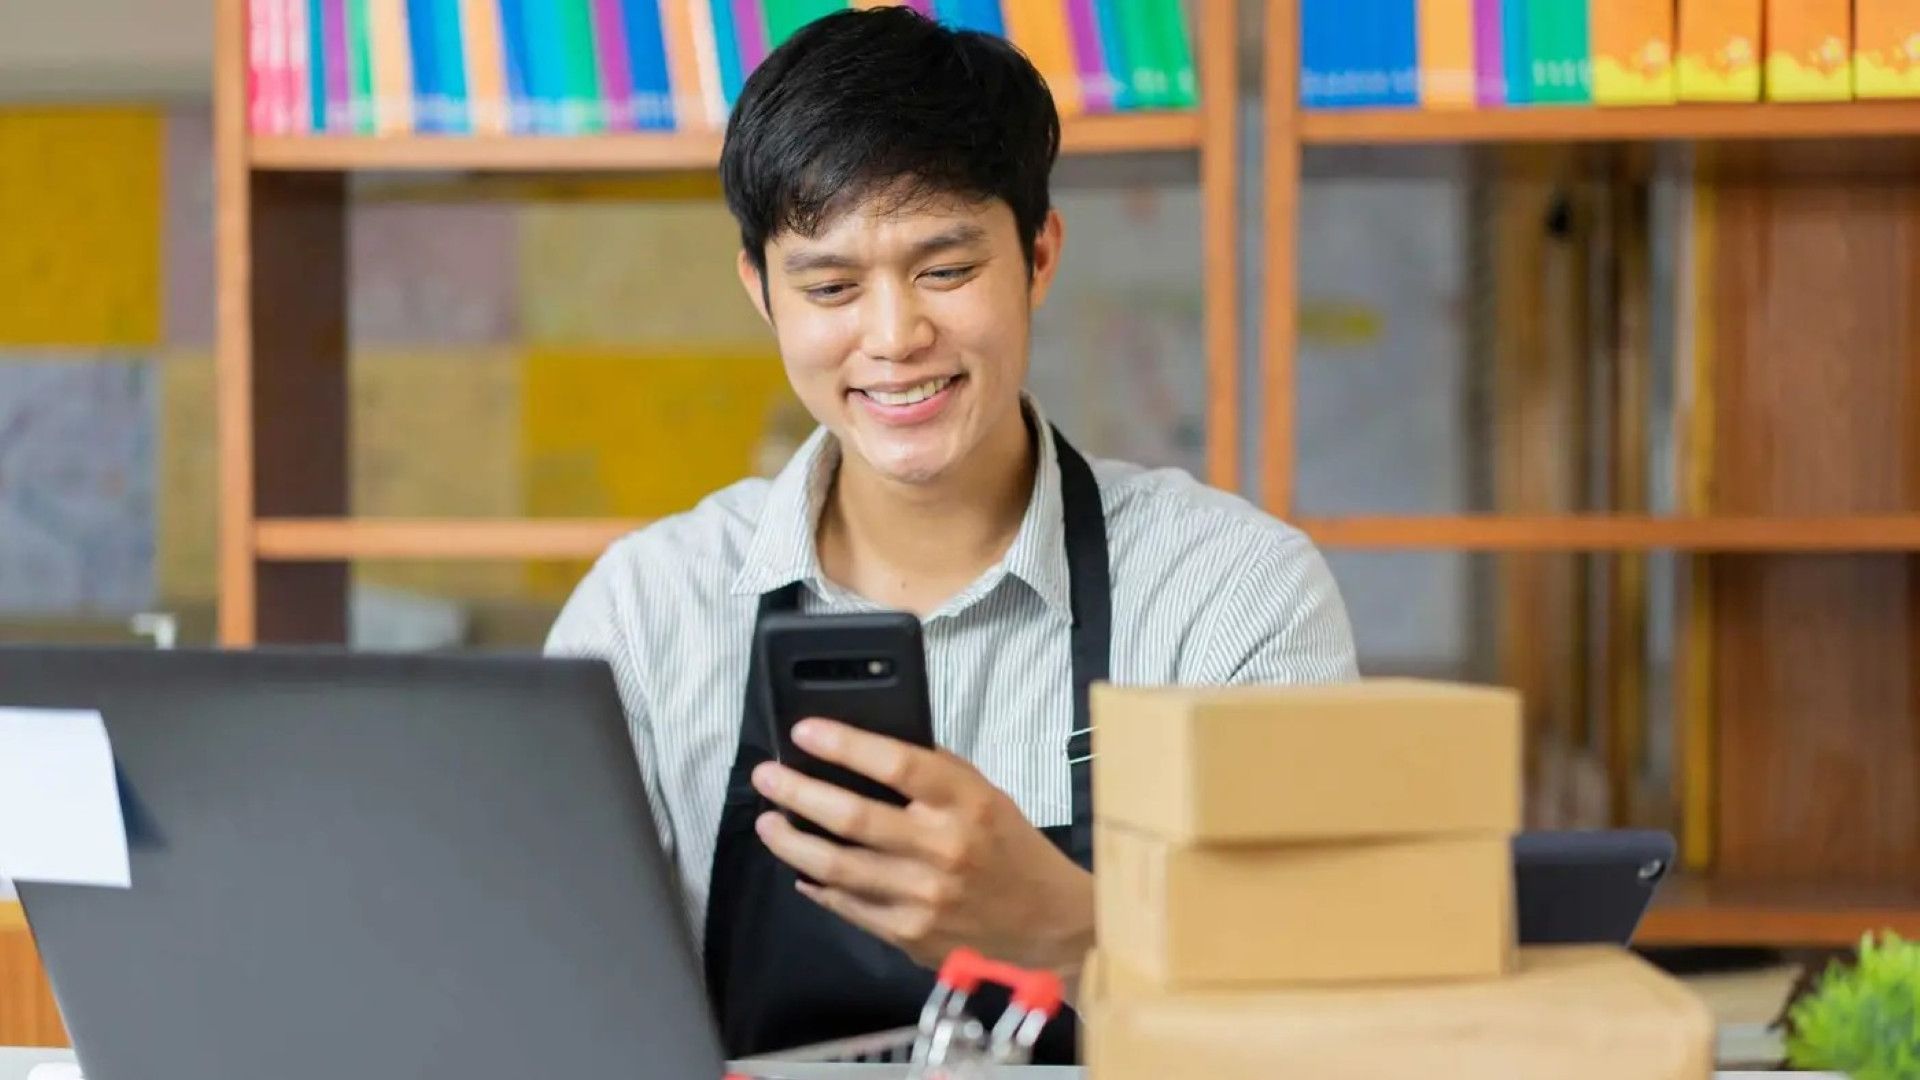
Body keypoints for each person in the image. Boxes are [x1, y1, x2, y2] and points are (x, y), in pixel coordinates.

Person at [545, 6, 1359, 1063]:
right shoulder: (644, 613)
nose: (893, 339)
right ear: (762, 293)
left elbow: (1330, 1023)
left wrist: (1069, 926)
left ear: (1039, 255)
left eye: (945, 270)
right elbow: (553, 1005)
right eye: (831, 286)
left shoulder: (1234, 594)